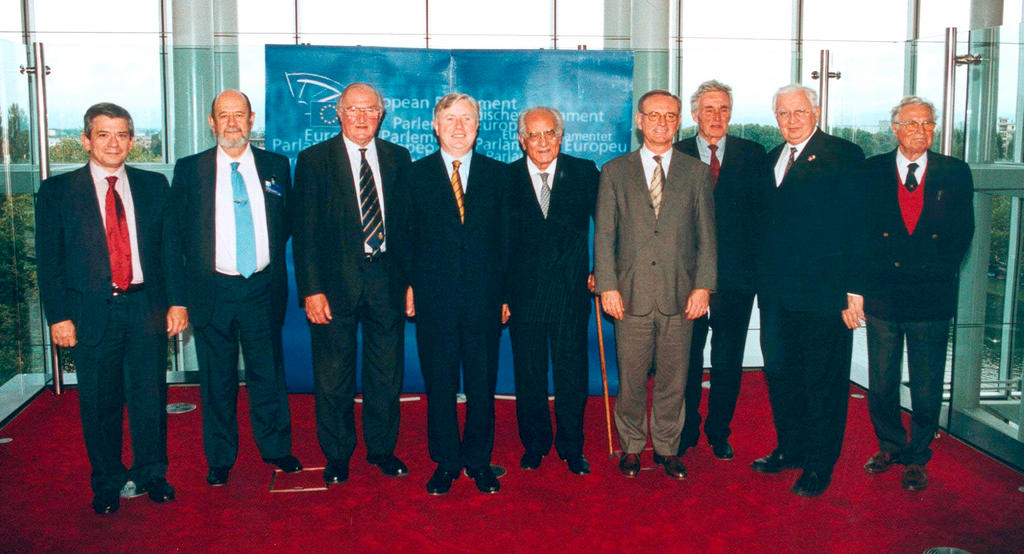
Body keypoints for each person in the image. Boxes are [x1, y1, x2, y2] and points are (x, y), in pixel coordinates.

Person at [36, 103, 187, 514]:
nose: (113, 143)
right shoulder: (57, 192)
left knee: (150, 398)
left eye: (121, 134)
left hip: (146, 309)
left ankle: (152, 473)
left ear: (133, 141)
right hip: (91, 314)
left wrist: (177, 302)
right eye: (103, 134)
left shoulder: (155, 185)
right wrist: (59, 316)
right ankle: (107, 481)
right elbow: (49, 261)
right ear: (85, 140)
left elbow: (170, 250)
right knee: (99, 403)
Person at [172, 89, 301, 486]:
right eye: (223, 115)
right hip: (213, 291)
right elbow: (176, 238)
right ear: (211, 122)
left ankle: (276, 448)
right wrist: (180, 299)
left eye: (239, 114)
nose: (232, 122)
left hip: (262, 288)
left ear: (251, 119)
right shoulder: (190, 169)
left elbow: (285, 225)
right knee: (217, 378)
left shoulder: (275, 165)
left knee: (268, 374)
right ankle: (221, 457)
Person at [292, 83, 412, 486]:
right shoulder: (313, 160)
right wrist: (311, 289)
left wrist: (411, 283)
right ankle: (338, 455)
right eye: (353, 109)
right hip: (333, 286)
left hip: (388, 284)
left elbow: (410, 228)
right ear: (339, 113)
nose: (362, 117)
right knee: (333, 376)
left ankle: (381, 449)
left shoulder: (399, 158)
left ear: (381, 114)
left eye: (370, 110)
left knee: (385, 374)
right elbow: (304, 231)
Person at [390, 92, 511, 495]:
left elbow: (508, 244)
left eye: (467, 119)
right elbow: (403, 238)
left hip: (485, 300)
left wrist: (507, 295)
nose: (459, 127)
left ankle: (478, 462)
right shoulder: (413, 175)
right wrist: (407, 285)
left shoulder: (499, 176)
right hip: (433, 299)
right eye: (451, 119)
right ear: (435, 126)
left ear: (478, 127)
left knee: (481, 385)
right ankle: (445, 462)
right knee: (439, 385)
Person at [593, 89, 717, 480]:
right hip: (628, 296)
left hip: (682, 296)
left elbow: (707, 237)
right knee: (629, 379)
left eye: (670, 116)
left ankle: (667, 447)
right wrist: (608, 287)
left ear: (679, 121)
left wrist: (703, 287)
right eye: (654, 115)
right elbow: (605, 236)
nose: (662, 123)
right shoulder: (614, 171)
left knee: (674, 379)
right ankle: (631, 446)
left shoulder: (695, 172)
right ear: (639, 121)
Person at [856, 96, 974, 491]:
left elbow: (963, 234)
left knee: (925, 387)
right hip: (884, 296)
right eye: (911, 123)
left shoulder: (955, 172)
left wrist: (936, 274)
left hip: (930, 297)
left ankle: (918, 456)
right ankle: (890, 444)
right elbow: (863, 236)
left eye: (927, 123)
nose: (919, 130)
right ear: (894, 128)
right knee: (883, 381)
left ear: (934, 129)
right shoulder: (871, 171)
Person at [752, 84, 865, 497]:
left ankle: (820, 464)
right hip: (777, 297)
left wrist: (855, 288)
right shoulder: (771, 159)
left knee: (823, 381)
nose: (792, 119)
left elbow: (860, 226)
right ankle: (791, 448)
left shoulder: (844, 156)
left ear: (815, 111)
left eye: (799, 111)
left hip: (825, 296)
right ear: (776, 117)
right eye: (783, 113)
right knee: (781, 374)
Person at [674, 80, 768, 461]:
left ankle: (719, 431)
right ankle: (685, 430)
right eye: (709, 110)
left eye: (724, 109)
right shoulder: (675, 154)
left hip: (736, 279)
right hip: (685, 278)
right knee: (687, 357)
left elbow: (763, 219)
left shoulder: (754, 154)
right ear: (695, 115)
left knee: (728, 358)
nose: (716, 117)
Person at [507, 106, 599, 476]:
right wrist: (500, 295)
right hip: (522, 296)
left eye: (550, 134)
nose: (542, 142)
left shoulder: (584, 172)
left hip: (570, 292)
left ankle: (572, 446)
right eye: (534, 135)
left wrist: (601, 272)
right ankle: (535, 444)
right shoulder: (506, 178)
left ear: (561, 136)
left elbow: (608, 226)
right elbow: (496, 243)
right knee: (529, 375)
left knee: (571, 375)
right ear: (521, 140)